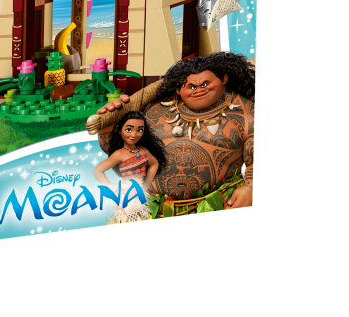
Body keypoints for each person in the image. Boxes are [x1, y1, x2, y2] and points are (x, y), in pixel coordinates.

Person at [87, 52, 254, 215]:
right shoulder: (154, 107)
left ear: (223, 79)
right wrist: (107, 126)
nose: (199, 90)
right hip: (149, 208)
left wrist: (251, 188)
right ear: (178, 89)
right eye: (191, 86)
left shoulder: (246, 112)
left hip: (218, 206)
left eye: (205, 84)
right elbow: (116, 151)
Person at [92, 111, 167, 190]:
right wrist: (111, 186)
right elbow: (97, 171)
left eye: (140, 130)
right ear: (119, 130)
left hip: (140, 191)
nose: (134, 135)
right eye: (128, 130)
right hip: (126, 192)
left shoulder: (143, 150)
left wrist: (145, 186)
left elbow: (154, 164)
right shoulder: (119, 154)